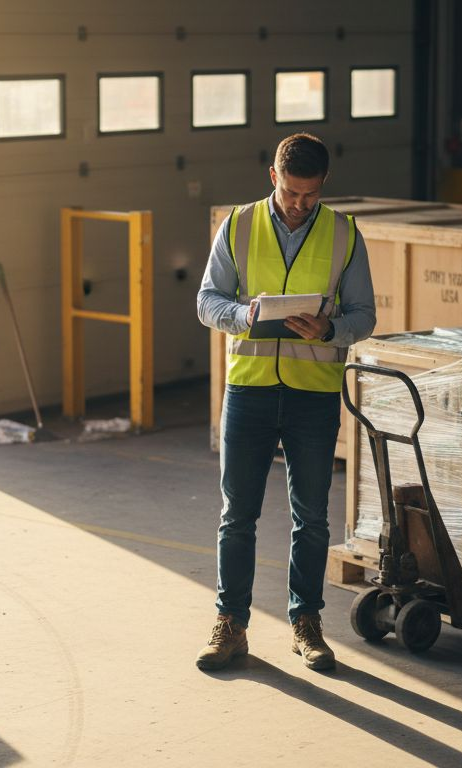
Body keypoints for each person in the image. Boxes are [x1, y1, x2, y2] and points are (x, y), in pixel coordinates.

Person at [195, 133, 376, 672]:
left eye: (310, 195)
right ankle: (231, 626)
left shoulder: (344, 234)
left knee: (312, 519)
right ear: (273, 177)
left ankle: (307, 624)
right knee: (237, 516)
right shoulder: (239, 224)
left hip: (313, 397)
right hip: (249, 389)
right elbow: (208, 300)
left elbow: (365, 316)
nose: (300, 204)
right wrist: (242, 317)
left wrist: (330, 328)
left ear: (323, 188)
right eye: (292, 192)